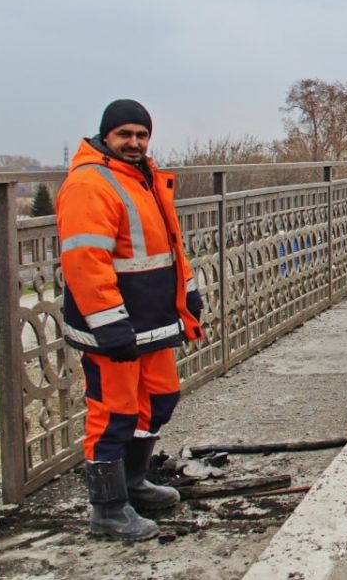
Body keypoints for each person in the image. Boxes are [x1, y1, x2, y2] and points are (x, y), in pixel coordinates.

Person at [57, 99, 204, 541]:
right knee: (114, 412)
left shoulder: (144, 179)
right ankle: (108, 509)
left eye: (141, 134)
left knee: (158, 400)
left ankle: (135, 482)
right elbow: (85, 260)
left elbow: (170, 249)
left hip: (152, 319)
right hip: (116, 325)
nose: (135, 142)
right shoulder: (91, 183)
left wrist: (189, 293)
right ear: (106, 136)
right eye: (125, 134)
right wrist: (108, 325)